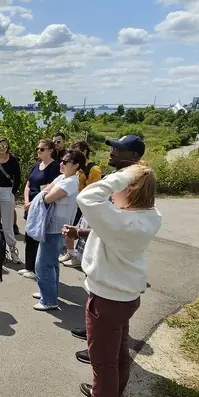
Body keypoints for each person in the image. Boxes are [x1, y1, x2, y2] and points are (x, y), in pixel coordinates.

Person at [62, 165, 162, 397]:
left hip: (106, 299)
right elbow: (105, 219)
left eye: (116, 185)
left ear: (127, 189)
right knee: (117, 353)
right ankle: (109, 396)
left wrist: (120, 177)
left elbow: (86, 197)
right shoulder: (150, 215)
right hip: (125, 296)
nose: (110, 189)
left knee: (102, 361)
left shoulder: (121, 221)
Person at [69, 135, 146, 343]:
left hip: (109, 253)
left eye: (119, 149)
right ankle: (92, 329)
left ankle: (98, 340)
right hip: (97, 238)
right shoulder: (118, 177)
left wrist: (84, 232)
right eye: (113, 148)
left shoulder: (132, 183)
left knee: (105, 304)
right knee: (94, 291)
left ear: (135, 156)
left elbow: (118, 224)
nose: (113, 152)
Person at [32, 150, 86, 311]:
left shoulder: (70, 182)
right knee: (52, 262)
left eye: (66, 162)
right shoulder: (64, 177)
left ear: (76, 166)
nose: (61, 164)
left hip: (55, 227)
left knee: (43, 264)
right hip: (53, 225)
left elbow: (47, 197)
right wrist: (45, 193)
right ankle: (48, 293)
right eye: (61, 161)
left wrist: (44, 194)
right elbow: (48, 189)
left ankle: (48, 300)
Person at [20, 139, 60, 278]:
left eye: (42, 149)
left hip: (41, 205)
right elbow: (28, 184)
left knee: (37, 236)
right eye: (38, 148)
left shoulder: (54, 167)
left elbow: (49, 189)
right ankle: (29, 267)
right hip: (29, 204)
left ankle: (37, 270)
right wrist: (26, 202)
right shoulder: (36, 165)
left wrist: (32, 204)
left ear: (50, 150)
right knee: (29, 235)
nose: (38, 151)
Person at [60, 141, 102, 266]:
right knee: (71, 227)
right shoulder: (78, 170)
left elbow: (95, 189)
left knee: (82, 230)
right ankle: (70, 252)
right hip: (77, 203)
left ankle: (80, 257)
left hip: (88, 205)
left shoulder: (94, 169)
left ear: (84, 152)